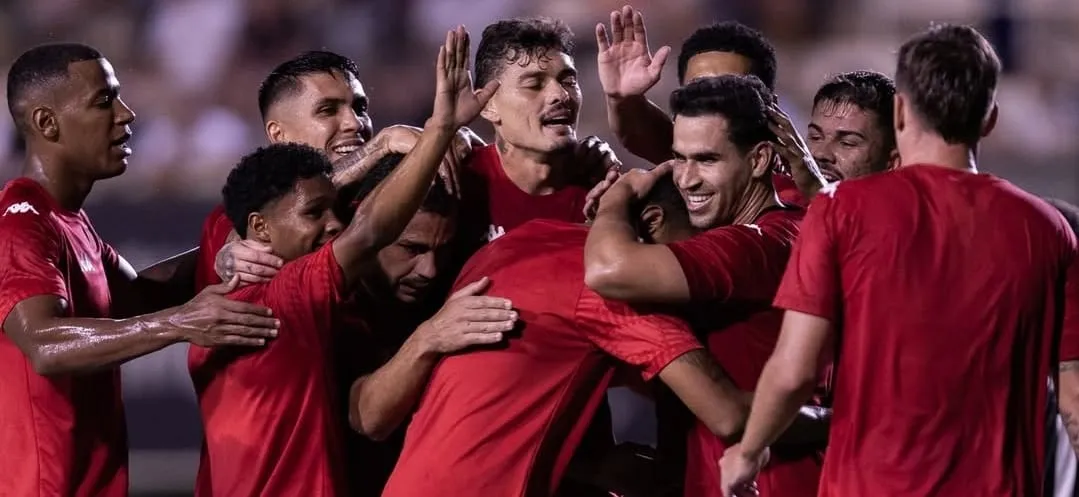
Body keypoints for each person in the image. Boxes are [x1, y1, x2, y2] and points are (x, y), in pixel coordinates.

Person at [720, 24, 1079, 497]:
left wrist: (748, 453)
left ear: (902, 110)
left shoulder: (840, 210)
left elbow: (794, 370)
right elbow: (1073, 396)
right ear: (989, 118)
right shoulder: (1048, 229)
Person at [188, 26, 501, 497]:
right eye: (327, 110)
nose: (355, 123)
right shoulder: (237, 226)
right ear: (278, 133)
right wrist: (409, 139)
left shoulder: (402, 191)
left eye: (360, 107)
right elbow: (361, 230)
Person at [0, 43, 278, 497]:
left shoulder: (68, 221)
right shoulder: (21, 222)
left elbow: (139, 297)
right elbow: (45, 345)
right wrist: (179, 324)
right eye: (104, 101)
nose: (127, 115)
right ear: (47, 123)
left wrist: (235, 246)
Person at [381, 171, 753, 497]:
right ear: (652, 221)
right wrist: (813, 416)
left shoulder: (514, 243)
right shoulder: (618, 290)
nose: (702, 272)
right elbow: (728, 415)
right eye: (699, 251)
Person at [585, 74, 822, 497]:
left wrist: (615, 203)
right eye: (679, 158)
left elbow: (607, 271)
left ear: (760, 159)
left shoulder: (756, 246)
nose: (688, 180)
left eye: (707, 160)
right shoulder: (773, 230)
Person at [592, 7, 822, 209]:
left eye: (730, 92)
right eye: (698, 91)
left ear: (770, 106)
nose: (712, 105)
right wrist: (622, 99)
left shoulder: (800, 193)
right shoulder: (692, 165)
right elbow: (641, 134)